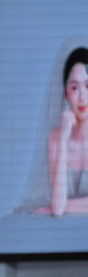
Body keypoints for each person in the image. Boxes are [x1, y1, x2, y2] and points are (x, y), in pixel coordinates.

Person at [37, 49, 88, 215]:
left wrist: (58, 207)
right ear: (66, 93)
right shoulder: (55, 138)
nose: (82, 97)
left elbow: (57, 208)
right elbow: (58, 209)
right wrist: (63, 140)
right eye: (74, 87)